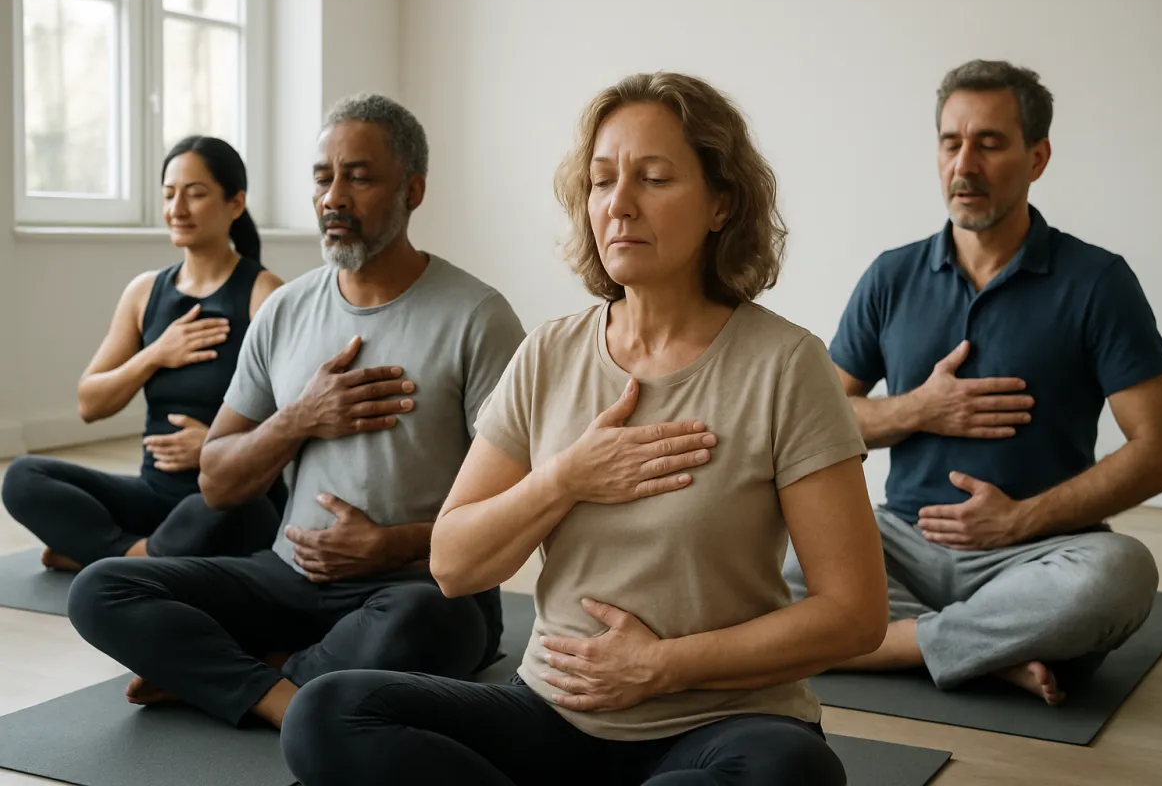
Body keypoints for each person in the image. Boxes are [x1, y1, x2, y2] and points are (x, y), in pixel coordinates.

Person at [279, 72, 888, 786]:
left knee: (793, 771)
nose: (619, 205)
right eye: (602, 182)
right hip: (552, 716)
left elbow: (854, 615)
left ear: (722, 203)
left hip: (720, 724)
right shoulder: (550, 353)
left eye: (654, 178)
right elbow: (454, 562)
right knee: (325, 714)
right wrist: (567, 477)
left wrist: (659, 666)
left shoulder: (786, 364)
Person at [66, 93, 527, 730]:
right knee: (102, 589)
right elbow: (217, 481)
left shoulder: (478, 317)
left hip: (411, 587)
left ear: (412, 190)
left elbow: (516, 513)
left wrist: (387, 546)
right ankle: (287, 692)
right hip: (286, 575)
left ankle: (231, 676)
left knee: (441, 623)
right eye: (322, 178)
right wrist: (298, 419)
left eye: (359, 177)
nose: (334, 196)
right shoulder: (284, 309)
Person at [783, 59, 1162, 705]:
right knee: (784, 552)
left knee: (1123, 574)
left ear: (1037, 157)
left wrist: (1020, 520)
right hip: (904, 542)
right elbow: (819, 416)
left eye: (989, 143)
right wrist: (919, 408)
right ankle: (986, 652)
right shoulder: (892, 276)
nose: (964, 164)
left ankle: (888, 645)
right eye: (951, 142)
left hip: (1035, 555)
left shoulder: (1098, 282)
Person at [1, 137, 287, 571]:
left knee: (246, 513)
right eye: (169, 195)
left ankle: (106, 554)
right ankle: (140, 556)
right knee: (23, 478)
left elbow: (294, 419)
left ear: (235, 203)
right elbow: (89, 404)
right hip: (153, 494)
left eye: (195, 193)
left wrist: (216, 447)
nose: (178, 208)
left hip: (221, 496)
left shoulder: (263, 293)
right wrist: (155, 354)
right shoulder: (144, 292)